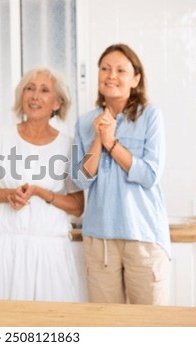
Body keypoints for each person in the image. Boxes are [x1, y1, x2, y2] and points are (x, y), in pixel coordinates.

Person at [0, 67, 85, 302]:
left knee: (52, 325)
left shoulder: (68, 145)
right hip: (3, 247)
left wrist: (40, 192)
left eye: (44, 90)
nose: (35, 96)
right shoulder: (0, 136)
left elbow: (77, 206)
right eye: (29, 88)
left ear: (57, 103)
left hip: (50, 252)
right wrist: (9, 195)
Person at [72, 43, 171, 305]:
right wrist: (98, 138)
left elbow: (150, 174)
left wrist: (112, 144)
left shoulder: (150, 117)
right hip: (100, 238)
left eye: (120, 70)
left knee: (150, 327)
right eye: (105, 69)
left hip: (144, 236)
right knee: (106, 326)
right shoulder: (84, 122)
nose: (111, 75)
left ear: (136, 78)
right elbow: (80, 178)